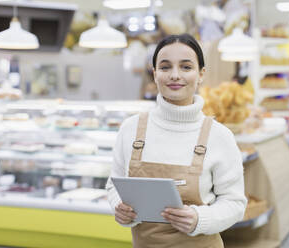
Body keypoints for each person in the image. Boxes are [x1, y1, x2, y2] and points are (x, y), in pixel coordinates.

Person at [105, 33, 247, 248]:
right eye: (165, 67)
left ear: (201, 74)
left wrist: (200, 219)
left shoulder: (220, 136)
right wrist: (121, 208)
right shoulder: (130, 129)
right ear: (154, 74)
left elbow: (235, 203)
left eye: (186, 67)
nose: (174, 75)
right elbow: (113, 184)